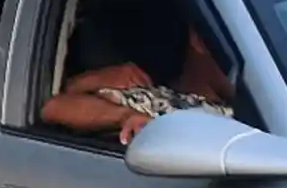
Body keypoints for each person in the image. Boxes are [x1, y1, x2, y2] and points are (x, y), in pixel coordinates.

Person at [42, 25, 235, 146]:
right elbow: (54, 108)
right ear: (200, 40)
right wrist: (126, 117)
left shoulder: (258, 111)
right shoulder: (156, 101)